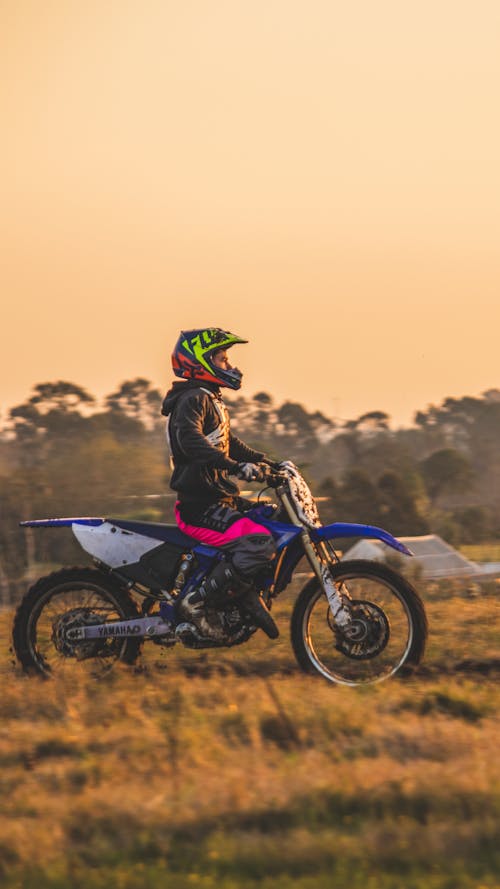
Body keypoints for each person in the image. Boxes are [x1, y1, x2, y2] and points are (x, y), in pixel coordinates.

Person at [161, 327, 280, 639]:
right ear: (201, 361)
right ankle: (196, 603)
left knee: (272, 518)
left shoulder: (209, 399)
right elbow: (191, 440)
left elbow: (229, 444)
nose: (229, 366)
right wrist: (235, 467)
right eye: (223, 359)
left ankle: (241, 594)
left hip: (218, 499)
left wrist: (266, 462)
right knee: (259, 543)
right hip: (199, 506)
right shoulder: (191, 400)